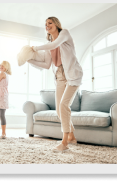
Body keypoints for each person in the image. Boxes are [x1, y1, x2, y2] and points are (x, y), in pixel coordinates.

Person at [27, 17, 83, 153]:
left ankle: (64, 143)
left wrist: (34, 48)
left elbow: (54, 45)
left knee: (64, 105)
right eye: (45, 24)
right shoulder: (49, 43)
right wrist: (29, 60)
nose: (47, 26)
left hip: (72, 74)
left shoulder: (64, 34)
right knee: (59, 110)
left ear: (56, 24)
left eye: (50, 23)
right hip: (59, 76)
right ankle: (72, 137)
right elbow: (46, 64)